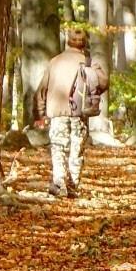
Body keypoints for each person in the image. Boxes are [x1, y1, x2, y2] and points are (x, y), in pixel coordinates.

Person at [35, 30, 103, 198]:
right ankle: (73, 185)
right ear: (84, 44)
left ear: (68, 42)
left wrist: (40, 114)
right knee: (77, 149)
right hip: (80, 113)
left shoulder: (54, 62)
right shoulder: (88, 63)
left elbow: (41, 91)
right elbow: (104, 82)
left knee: (58, 148)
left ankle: (59, 182)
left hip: (57, 113)